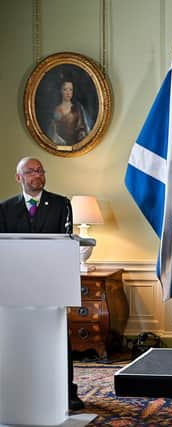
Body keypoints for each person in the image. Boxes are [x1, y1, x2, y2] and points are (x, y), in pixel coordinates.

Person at [0, 157, 84, 410]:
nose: (37, 174)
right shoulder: (4, 209)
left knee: (58, 337)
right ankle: (22, 388)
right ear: (19, 178)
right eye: (31, 171)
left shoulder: (61, 204)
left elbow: (66, 243)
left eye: (40, 170)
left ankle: (66, 391)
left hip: (52, 284)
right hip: (17, 286)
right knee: (21, 339)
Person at [47, 79, 92, 145]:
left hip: (75, 145)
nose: (68, 93)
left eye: (70, 90)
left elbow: (82, 127)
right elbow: (52, 131)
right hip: (59, 145)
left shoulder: (78, 108)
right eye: (65, 89)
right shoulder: (56, 109)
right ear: (61, 91)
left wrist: (82, 133)